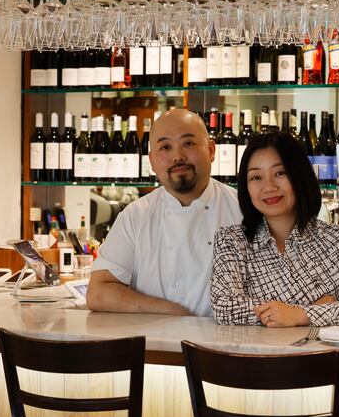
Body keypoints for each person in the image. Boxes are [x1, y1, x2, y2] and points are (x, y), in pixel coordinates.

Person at [211, 132, 339, 327]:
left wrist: (301, 315)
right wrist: (319, 308)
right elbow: (224, 308)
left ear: (299, 176)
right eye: (256, 177)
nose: (269, 186)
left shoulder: (338, 239)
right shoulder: (231, 240)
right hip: (254, 362)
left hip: (324, 361)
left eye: (280, 173)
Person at [86, 109, 242, 315]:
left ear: (211, 151)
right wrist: (171, 311)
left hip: (224, 344)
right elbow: (98, 292)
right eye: (165, 147)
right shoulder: (136, 216)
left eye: (188, 143)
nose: (178, 156)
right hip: (154, 343)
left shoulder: (244, 210)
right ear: (151, 161)